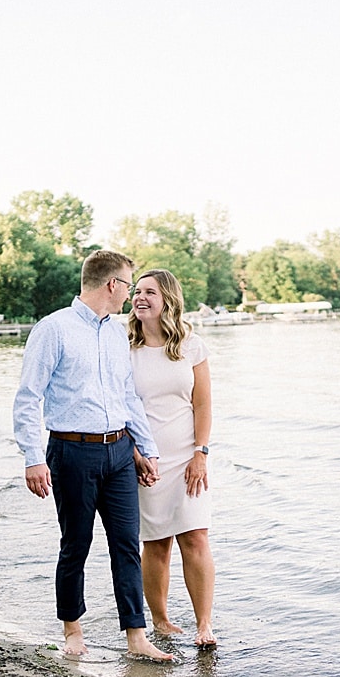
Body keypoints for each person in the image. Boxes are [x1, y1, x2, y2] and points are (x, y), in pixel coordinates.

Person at [12, 249, 174, 662]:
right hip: (71, 452)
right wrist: (33, 458)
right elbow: (28, 398)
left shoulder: (116, 332)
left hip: (119, 451)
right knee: (76, 544)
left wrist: (145, 448)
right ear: (111, 285)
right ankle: (72, 629)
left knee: (125, 545)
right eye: (127, 287)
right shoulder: (54, 329)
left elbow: (126, 395)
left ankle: (136, 635)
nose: (130, 297)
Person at [127, 268, 217, 648]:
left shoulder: (191, 345)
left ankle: (204, 625)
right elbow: (117, 406)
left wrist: (201, 452)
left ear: (168, 299)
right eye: (136, 291)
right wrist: (134, 454)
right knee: (156, 542)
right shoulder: (122, 346)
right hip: (144, 459)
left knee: (195, 537)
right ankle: (161, 621)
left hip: (187, 457)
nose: (140, 297)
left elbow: (203, 403)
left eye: (150, 292)